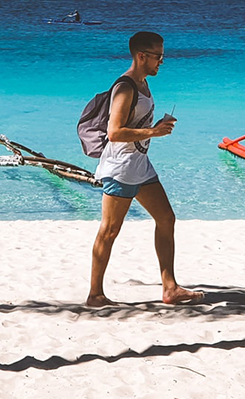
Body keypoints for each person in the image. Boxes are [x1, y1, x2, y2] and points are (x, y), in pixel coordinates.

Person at [86, 31, 203, 307]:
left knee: (166, 219)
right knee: (109, 230)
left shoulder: (143, 84)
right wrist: (154, 131)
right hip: (121, 168)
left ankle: (170, 288)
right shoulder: (125, 87)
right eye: (158, 56)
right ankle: (95, 295)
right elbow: (114, 133)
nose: (161, 61)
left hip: (140, 166)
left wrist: (155, 128)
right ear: (142, 56)